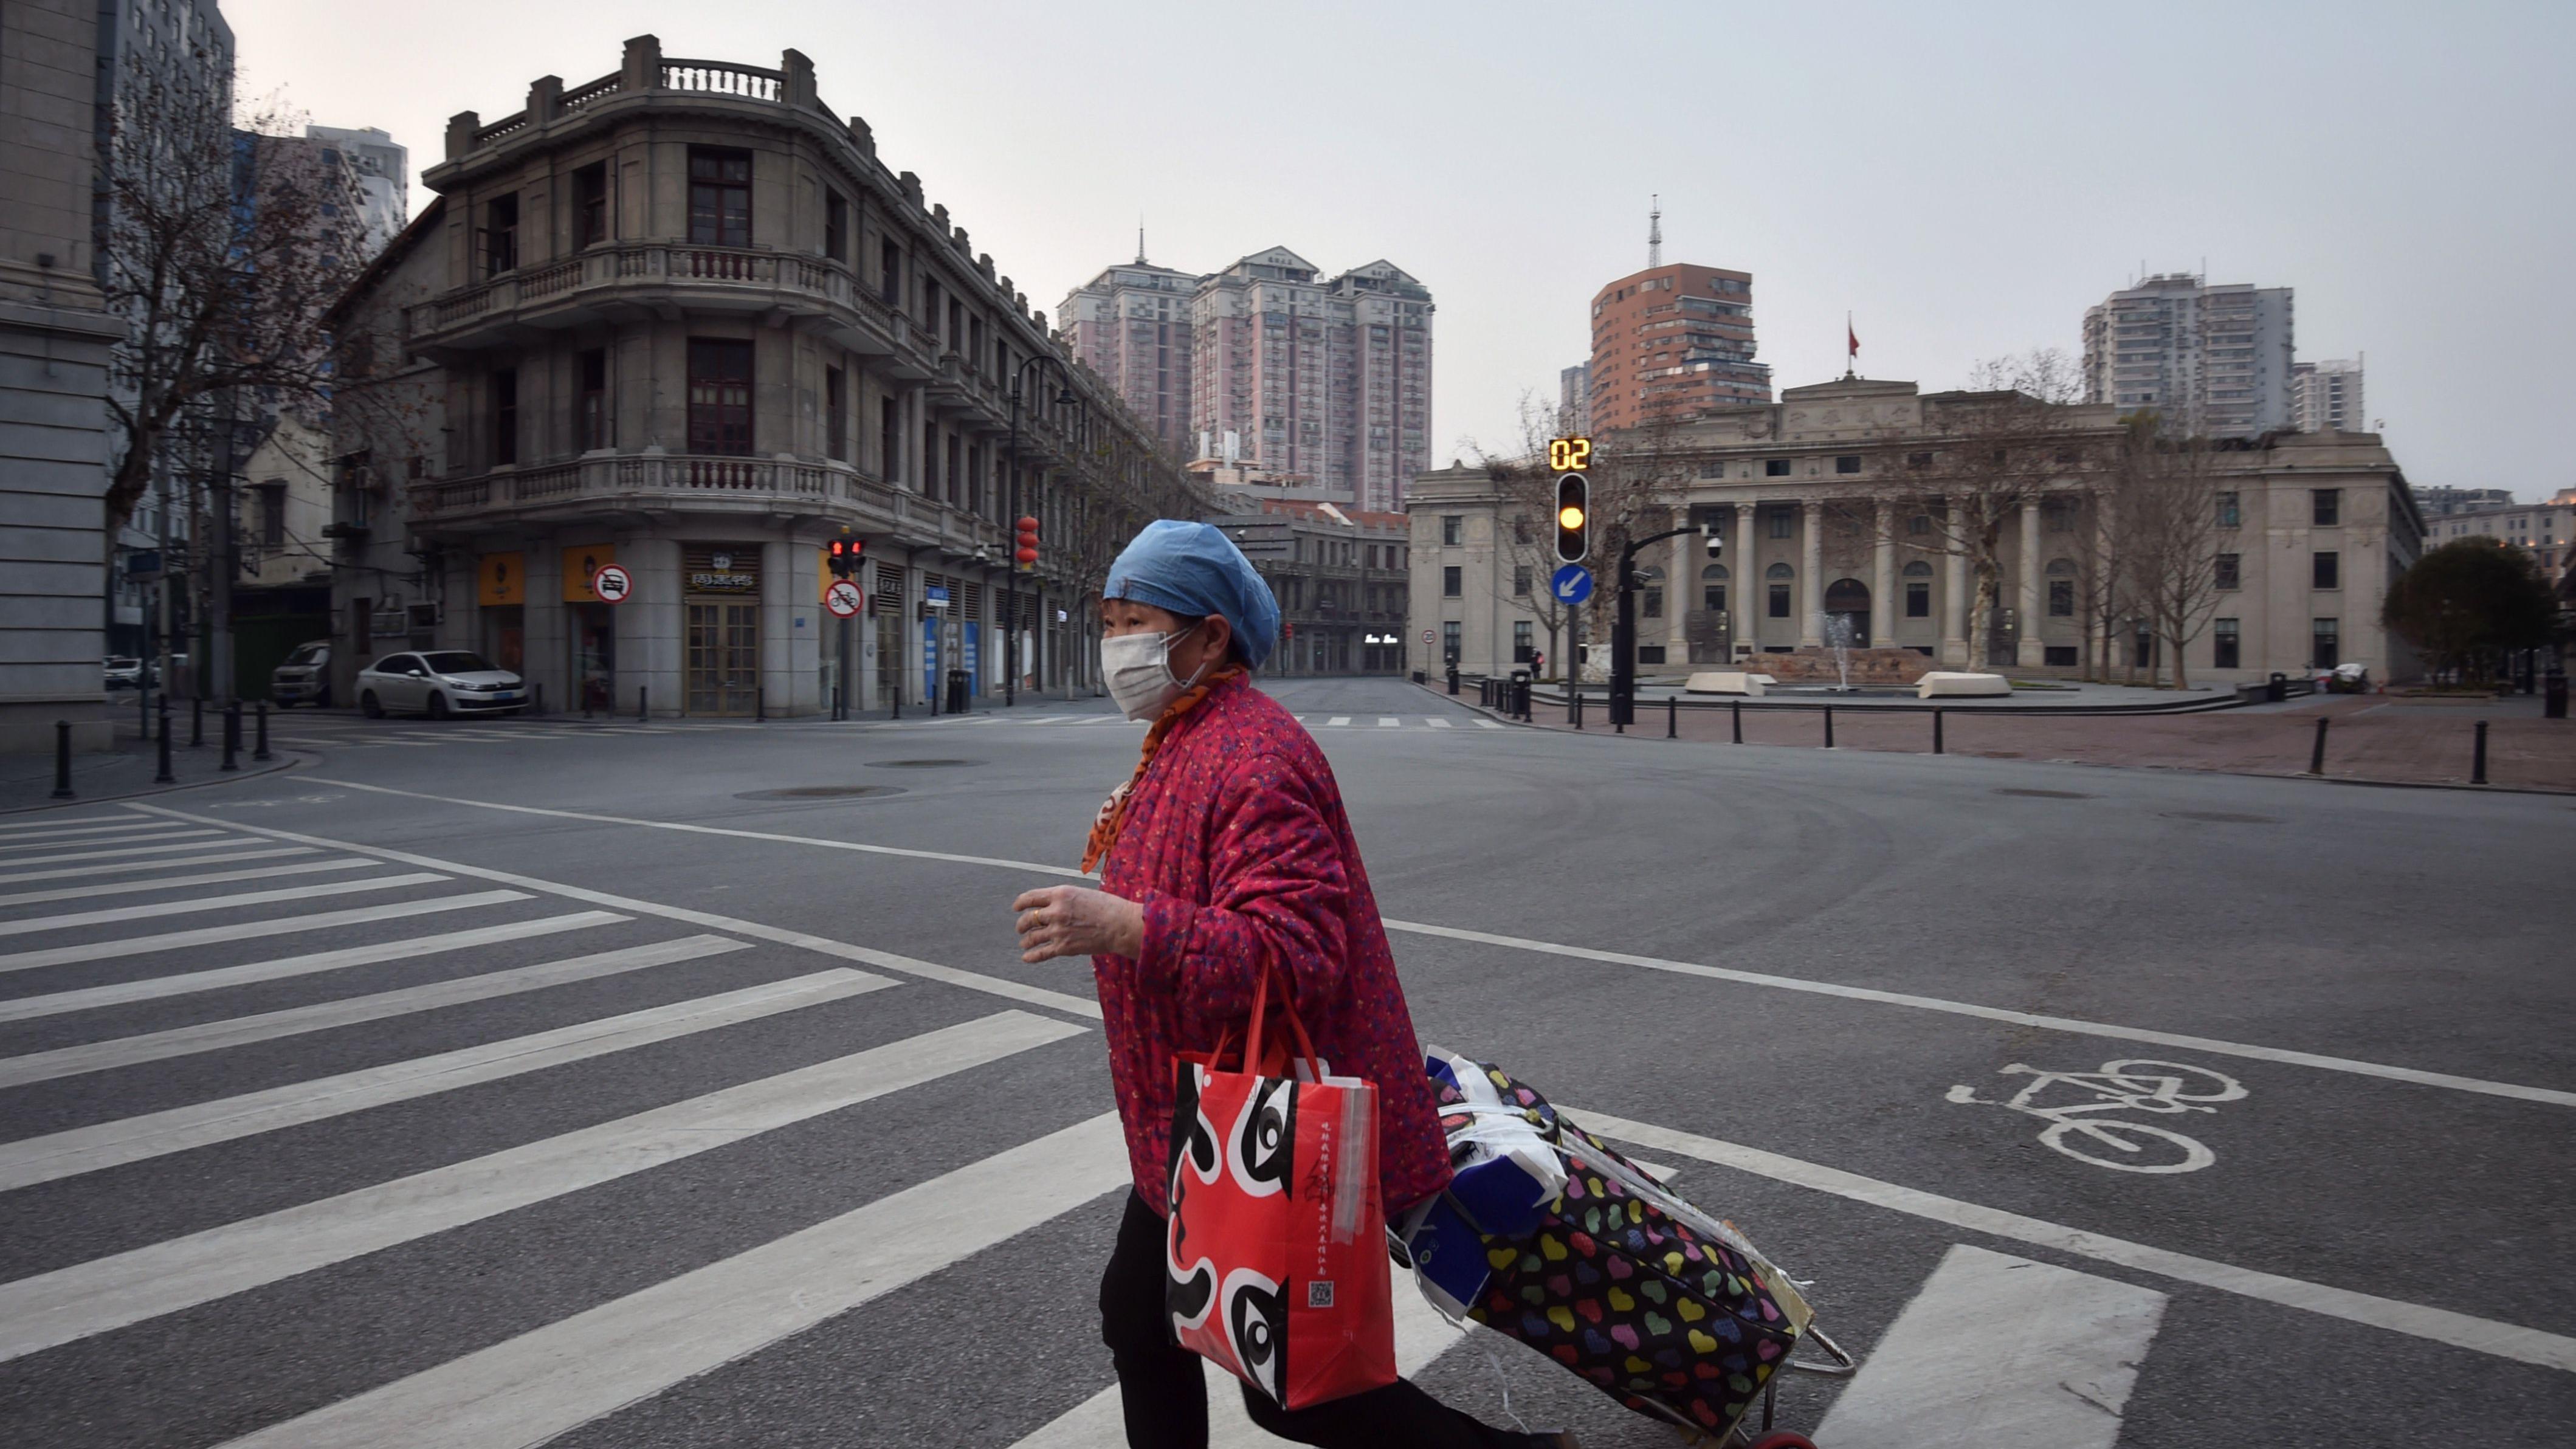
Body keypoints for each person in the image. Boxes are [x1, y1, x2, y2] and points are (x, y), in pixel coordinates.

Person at [1014, 520, 1576, 1449]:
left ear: (1208, 637)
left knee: (1296, 1389)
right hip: (1197, 1117)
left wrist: (1125, 924)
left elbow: (1297, 951)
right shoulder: (1186, 737)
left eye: (1134, 622)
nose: (1115, 644)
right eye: (1108, 620)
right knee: (1141, 1318)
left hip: (1257, 1117)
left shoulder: (1253, 755)